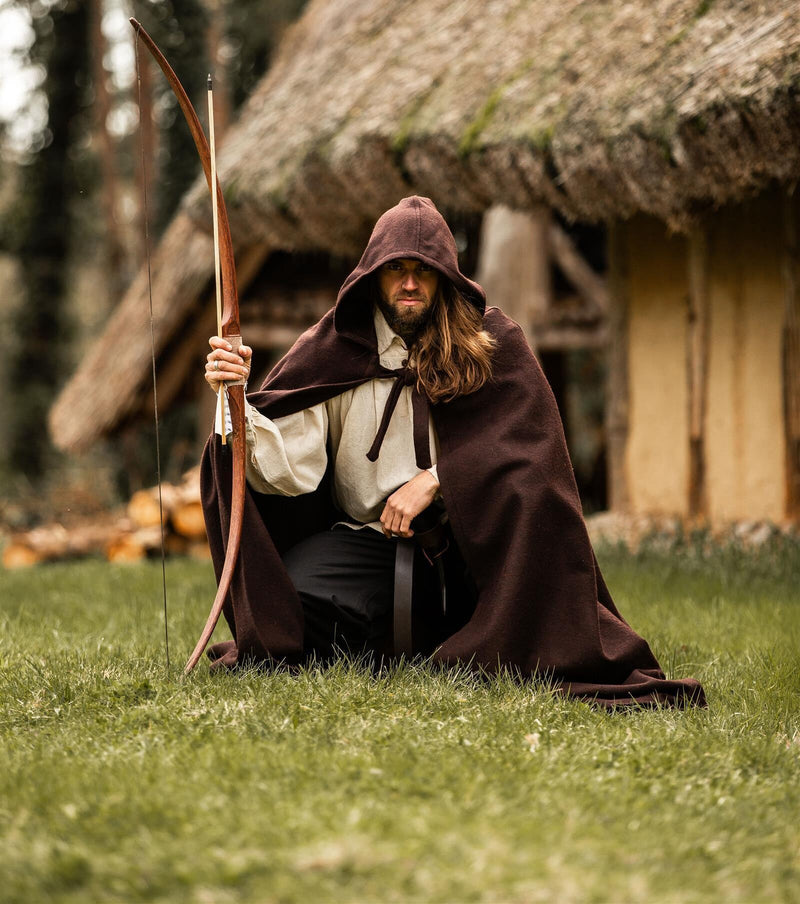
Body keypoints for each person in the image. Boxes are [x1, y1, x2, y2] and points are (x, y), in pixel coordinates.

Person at [201, 196, 705, 708]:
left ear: (445, 276)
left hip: (473, 549)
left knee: (528, 547)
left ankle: (472, 633)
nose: (410, 284)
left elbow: (532, 453)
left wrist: (439, 478)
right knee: (285, 599)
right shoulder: (331, 349)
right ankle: (426, 639)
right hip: (367, 544)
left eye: (424, 270)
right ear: (373, 275)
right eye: (396, 269)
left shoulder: (491, 342)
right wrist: (237, 401)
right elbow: (293, 465)